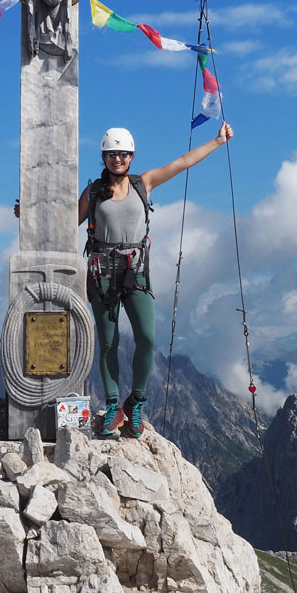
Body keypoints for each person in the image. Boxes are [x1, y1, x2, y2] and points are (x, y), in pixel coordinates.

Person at [79, 122, 234, 438]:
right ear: (104, 157)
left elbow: (181, 163)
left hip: (134, 271)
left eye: (122, 154)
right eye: (111, 154)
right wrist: (26, 214)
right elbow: (65, 219)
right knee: (108, 342)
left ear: (131, 156)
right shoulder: (93, 192)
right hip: (102, 272)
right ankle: (113, 406)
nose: (117, 159)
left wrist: (217, 141)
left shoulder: (143, 183)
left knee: (147, 337)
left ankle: (135, 401)